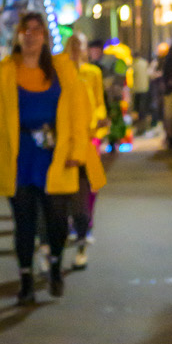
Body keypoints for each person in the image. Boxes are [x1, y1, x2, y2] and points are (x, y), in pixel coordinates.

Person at [0, 7, 104, 305]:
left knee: (58, 220)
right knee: (25, 223)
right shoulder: (5, 72)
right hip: (19, 158)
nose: (30, 36)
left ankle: (55, 265)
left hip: (56, 156)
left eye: (36, 30)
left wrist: (76, 151)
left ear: (45, 36)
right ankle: (26, 280)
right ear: (18, 36)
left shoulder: (62, 70)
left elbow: (79, 113)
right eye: (25, 30)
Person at [66, 33, 106, 269]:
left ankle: (85, 222)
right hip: (68, 137)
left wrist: (97, 124)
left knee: (90, 182)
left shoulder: (93, 73)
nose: (76, 49)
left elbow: (99, 103)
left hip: (90, 136)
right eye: (72, 44)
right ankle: (74, 222)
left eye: (80, 45)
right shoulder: (61, 73)